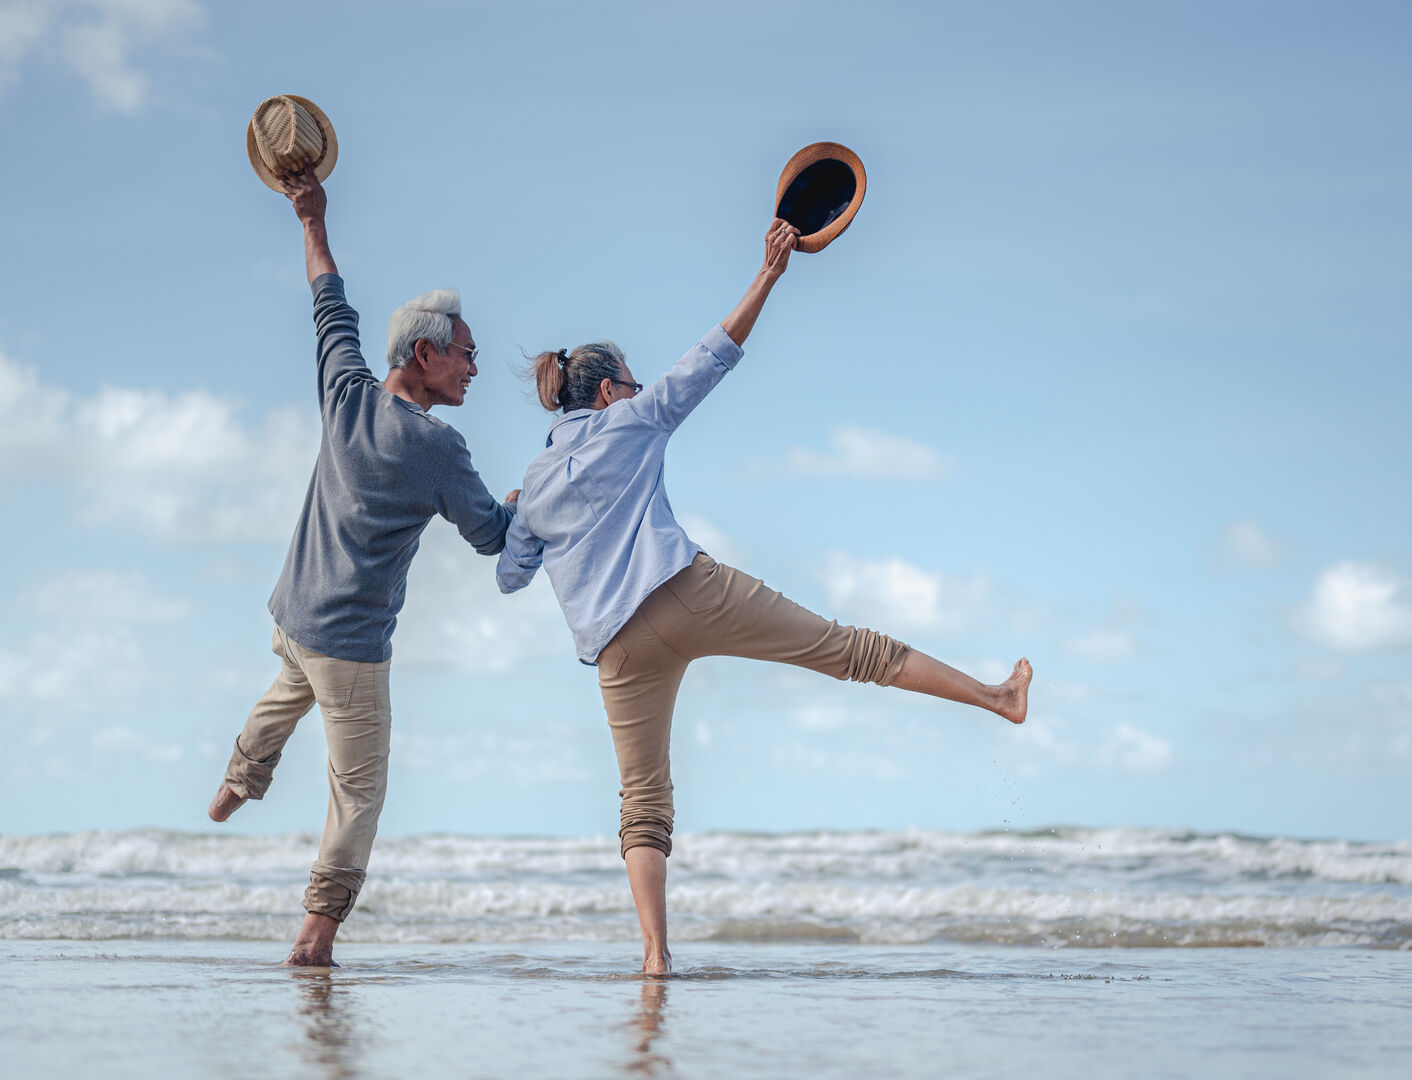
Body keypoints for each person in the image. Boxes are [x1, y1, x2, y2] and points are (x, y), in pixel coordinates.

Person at [497, 218, 1032, 974]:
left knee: (641, 802)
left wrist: (516, 504)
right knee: (850, 650)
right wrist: (769, 274)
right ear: (612, 390)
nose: (643, 389)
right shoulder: (633, 419)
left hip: (615, 647)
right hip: (685, 593)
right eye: (634, 381)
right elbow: (711, 357)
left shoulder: (538, 480)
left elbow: (510, 574)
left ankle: (654, 955)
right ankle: (994, 697)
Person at [206, 167, 519, 966]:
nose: (474, 370)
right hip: (349, 648)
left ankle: (240, 778)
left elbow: (329, 303)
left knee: (285, 688)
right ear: (425, 352)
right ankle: (315, 935)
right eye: (468, 356)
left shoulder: (343, 389)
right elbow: (491, 537)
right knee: (360, 795)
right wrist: (523, 502)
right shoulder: (439, 447)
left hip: (293, 616)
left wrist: (310, 218)